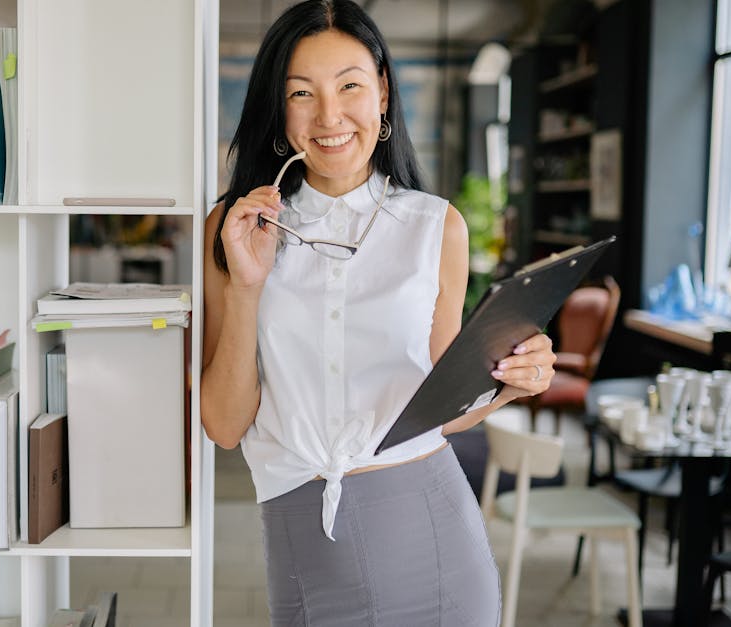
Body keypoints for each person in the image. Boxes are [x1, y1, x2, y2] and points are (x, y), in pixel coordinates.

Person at [201, 1, 557, 624]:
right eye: (302, 93)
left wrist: (510, 384)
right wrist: (246, 287)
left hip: (435, 533)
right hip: (302, 541)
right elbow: (226, 427)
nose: (329, 114)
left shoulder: (436, 225)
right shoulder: (235, 227)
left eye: (349, 86)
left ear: (383, 93)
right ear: (278, 111)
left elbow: (440, 413)